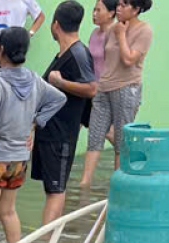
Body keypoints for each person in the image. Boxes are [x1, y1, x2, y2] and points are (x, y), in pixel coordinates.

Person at [0, 27, 66, 243]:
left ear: (1, 50)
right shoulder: (34, 79)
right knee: (8, 211)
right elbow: (59, 98)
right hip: (19, 158)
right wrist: (35, 122)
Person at [35, 1, 98, 224]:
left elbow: (91, 88)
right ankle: (48, 238)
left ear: (56, 25)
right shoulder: (64, 54)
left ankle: (47, 240)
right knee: (51, 188)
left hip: (61, 136)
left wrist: (61, 83)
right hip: (50, 132)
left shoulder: (78, 53)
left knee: (56, 190)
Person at [79, 0, 152, 188]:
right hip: (104, 88)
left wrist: (121, 35)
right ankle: (85, 184)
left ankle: (118, 185)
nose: (118, 8)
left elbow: (129, 59)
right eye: (118, 4)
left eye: (124, 5)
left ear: (136, 9)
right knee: (95, 136)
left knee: (121, 141)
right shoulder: (112, 29)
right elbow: (104, 59)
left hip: (126, 88)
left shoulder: (144, 31)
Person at [87, 0, 115, 78]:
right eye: (94, 10)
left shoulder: (115, 35)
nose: (94, 14)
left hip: (108, 83)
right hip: (92, 81)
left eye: (98, 10)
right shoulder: (94, 33)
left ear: (111, 13)